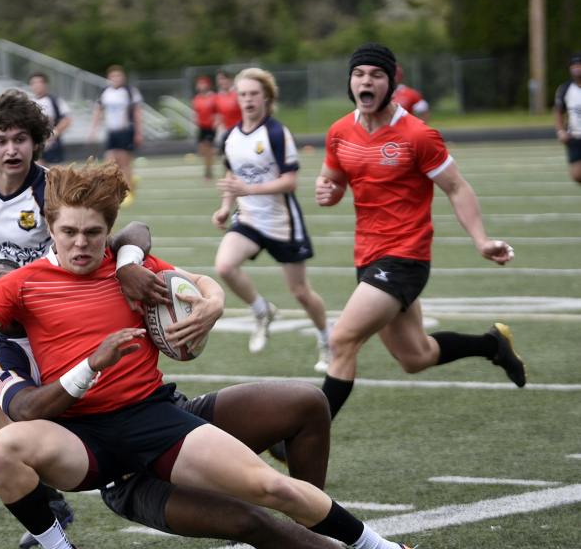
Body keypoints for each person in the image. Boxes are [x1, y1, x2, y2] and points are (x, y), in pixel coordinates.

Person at [0, 162, 462, 549]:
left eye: (93, 234)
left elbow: (196, 283)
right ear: (49, 227)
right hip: (84, 441)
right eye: (68, 232)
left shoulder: (129, 269)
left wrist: (212, 304)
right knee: (0, 450)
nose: (79, 244)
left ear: (107, 233)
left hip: (154, 417)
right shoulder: (21, 286)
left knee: (271, 486)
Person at [0, 258, 429, 549]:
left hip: (166, 418)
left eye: (1, 281)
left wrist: (210, 301)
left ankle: (318, 535)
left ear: (25, 282)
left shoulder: (74, 294)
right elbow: (25, 410)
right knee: (250, 520)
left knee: (307, 404)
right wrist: (91, 364)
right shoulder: (2, 353)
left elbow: (138, 238)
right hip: (121, 472)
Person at [0, 90, 167, 548]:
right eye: (0, 141)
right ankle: (46, 491)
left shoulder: (50, 188)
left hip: (57, 301)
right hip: (19, 304)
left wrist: (128, 261)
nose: (11, 150)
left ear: (37, 142)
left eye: (20, 140)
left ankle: (56, 479)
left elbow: (126, 229)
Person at [315, 43, 525, 420]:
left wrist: (481, 241)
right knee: (416, 357)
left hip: (406, 256)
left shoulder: (417, 134)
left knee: (341, 339)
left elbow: (456, 187)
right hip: (367, 255)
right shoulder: (339, 132)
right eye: (359, 74)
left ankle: (299, 435)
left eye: (376, 75)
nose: (367, 81)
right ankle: (492, 345)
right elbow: (332, 185)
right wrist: (327, 193)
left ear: (390, 83)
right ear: (350, 81)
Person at [213, 68, 331, 370]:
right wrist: (226, 206)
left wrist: (247, 188)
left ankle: (327, 341)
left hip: (282, 222)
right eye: (243, 94)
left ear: (266, 97)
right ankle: (262, 310)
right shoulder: (230, 137)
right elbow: (232, 175)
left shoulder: (277, 133)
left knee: (301, 292)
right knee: (225, 266)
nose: (248, 99)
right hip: (249, 218)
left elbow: (290, 181)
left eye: (254, 93)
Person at [88, 65, 143, 201]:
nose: (116, 78)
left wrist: (138, 132)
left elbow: (137, 112)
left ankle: (129, 191)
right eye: (113, 76)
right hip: (112, 131)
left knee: (125, 161)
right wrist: (93, 129)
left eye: (118, 76)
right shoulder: (105, 92)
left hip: (126, 130)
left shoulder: (130, 91)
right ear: (109, 78)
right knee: (110, 162)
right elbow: (98, 111)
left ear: (123, 77)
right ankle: (113, 190)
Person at [29, 72, 72, 167]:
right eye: (34, 83)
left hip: (53, 144)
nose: (37, 85)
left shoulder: (54, 100)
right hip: (37, 143)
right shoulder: (29, 102)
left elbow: (67, 119)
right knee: (38, 171)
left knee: (55, 173)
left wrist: (54, 133)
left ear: (45, 84)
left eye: (39, 82)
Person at [554, 52, 581, 186]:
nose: (577, 67)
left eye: (579, 64)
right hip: (575, 137)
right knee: (576, 175)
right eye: (574, 65)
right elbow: (558, 111)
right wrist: (561, 132)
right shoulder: (565, 88)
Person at [191, 76, 218, 179]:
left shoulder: (213, 97)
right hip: (201, 127)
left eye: (203, 83)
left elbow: (218, 112)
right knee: (202, 151)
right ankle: (217, 151)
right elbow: (195, 112)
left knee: (207, 148)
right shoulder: (197, 98)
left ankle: (208, 172)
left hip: (210, 127)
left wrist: (216, 121)